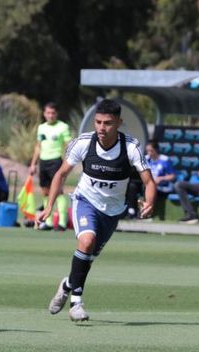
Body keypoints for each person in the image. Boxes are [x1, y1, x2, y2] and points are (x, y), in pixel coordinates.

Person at [41, 99, 155, 322]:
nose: (102, 128)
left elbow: (149, 181)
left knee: (87, 259)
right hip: (85, 202)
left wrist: (149, 201)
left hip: (112, 212)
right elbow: (61, 175)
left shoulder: (131, 147)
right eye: (98, 122)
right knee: (86, 242)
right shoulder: (83, 143)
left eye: (108, 123)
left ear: (119, 123)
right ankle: (76, 304)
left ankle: (66, 285)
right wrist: (49, 206)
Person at [29, 102, 73, 231]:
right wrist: (33, 164)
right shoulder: (41, 127)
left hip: (56, 161)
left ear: (56, 114)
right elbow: (38, 146)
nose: (50, 115)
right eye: (48, 113)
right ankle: (47, 222)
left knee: (58, 192)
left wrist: (66, 162)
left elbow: (68, 145)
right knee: (45, 192)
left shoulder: (63, 127)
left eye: (53, 113)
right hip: (43, 162)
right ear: (44, 114)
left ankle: (62, 222)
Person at [144, 140, 176, 220]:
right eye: (147, 151)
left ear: (156, 150)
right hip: (148, 185)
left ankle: (148, 213)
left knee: (151, 186)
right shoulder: (145, 159)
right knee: (133, 186)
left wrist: (161, 178)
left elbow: (172, 176)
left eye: (151, 151)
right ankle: (132, 212)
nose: (149, 153)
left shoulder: (165, 160)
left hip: (164, 187)